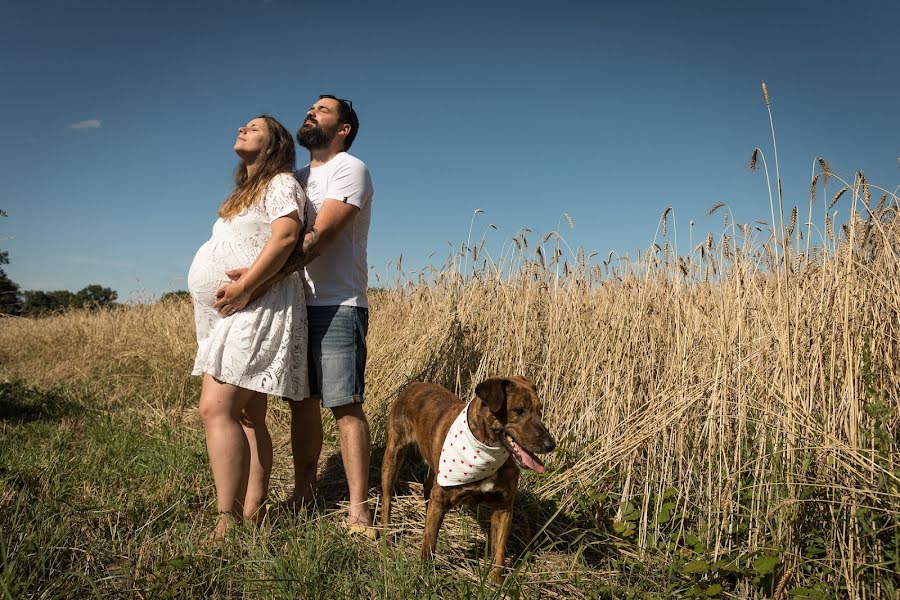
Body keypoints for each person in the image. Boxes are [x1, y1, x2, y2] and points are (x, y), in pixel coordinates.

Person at [218, 95, 374, 535]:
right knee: (299, 404)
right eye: (310, 108)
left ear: (343, 128)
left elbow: (318, 237)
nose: (311, 112)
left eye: (322, 111)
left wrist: (254, 280)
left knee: (344, 404)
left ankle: (359, 508)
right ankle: (304, 493)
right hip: (292, 307)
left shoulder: (350, 169)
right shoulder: (295, 178)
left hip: (337, 303)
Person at [188, 114, 308, 539]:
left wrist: (247, 288)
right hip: (231, 311)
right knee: (250, 414)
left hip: (258, 304)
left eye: (255, 127)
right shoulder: (245, 193)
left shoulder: (280, 184)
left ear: (274, 143)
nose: (242, 128)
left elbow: (286, 236)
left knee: (215, 408)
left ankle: (227, 520)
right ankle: (254, 508)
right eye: (242, 125)